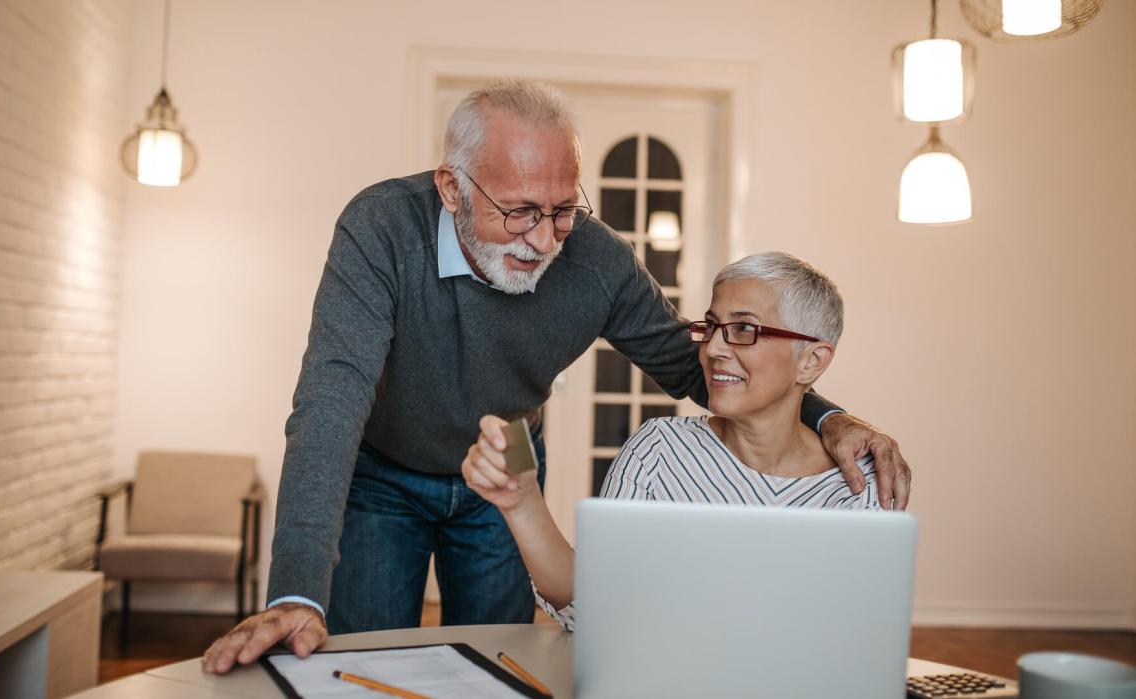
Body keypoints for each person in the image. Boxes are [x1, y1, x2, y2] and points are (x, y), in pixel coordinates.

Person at [202, 82, 909, 674]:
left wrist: (828, 416)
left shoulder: (595, 262)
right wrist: (296, 590)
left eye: (564, 210)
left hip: (505, 468)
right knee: (360, 660)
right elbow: (331, 399)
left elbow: (699, 365)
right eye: (519, 211)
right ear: (452, 186)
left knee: (498, 664)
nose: (544, 238)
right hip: (384, 470)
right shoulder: (381, 229)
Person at [462, 251, 882, 630]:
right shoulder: (659, 450)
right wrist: (523, 502)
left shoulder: (860, 486)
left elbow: (854, 638)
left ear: (811, 360)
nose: (713, 348)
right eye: (712, 326)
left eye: (743, 329)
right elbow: (591, 609)